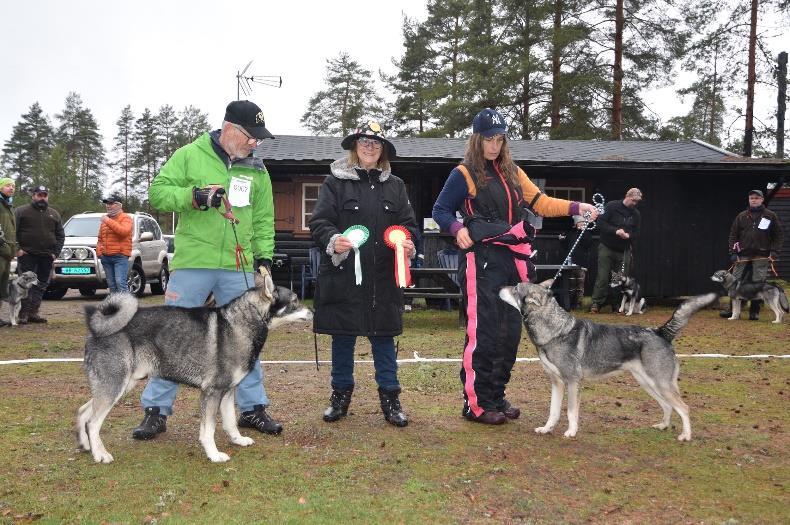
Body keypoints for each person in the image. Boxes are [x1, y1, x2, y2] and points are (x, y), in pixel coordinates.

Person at [431, 108, 599, 425]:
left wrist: (578, 207)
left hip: (515, 260)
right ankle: (476, 404)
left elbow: (541, 203)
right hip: (481, 260)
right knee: (484, 332)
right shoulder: (463, 173)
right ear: (476, 139)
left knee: (509, 333)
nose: (494, 145)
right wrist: (457, 230)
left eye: (499, 138)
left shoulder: (513, 172)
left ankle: (496, 396)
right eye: (488, 139)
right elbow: (440, 210)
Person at [132, 100, 283, 440]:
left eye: (258, 138)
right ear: (230, 128)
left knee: (248, 338)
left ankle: (253, 408)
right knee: (171, 336)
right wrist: (195, 196)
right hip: (193, 262)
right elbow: (158, 193)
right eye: (250, 136)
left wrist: (264, 259)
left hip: (239, 265)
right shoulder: (189, 154)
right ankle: (156, 410)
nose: (254, 143)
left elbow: (263, 219)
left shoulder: (257, 168)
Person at [309, 121, 418, 428]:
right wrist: (333, 240)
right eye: (364, 142)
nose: (370, 147)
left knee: (384, 339)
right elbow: (319, 223)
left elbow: (408, 225)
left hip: (383, 279)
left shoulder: (395, 186)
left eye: (376, 143)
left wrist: (408, 243)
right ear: (354, 146)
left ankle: (391, 400)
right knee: (342, 339)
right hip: (344, 275)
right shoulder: (335, 182)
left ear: (383, 150)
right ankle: (340, 397)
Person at [719, 189, 784, 321]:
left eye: (756, 198)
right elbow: (733, 235)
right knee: (733, 282)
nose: (754, 200)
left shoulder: (770, 215)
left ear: (762, 200)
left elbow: (778, 235)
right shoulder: (741, 216)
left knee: (758, 283)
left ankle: (754, 312)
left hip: (762, 255)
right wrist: (733, 252)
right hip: (742, 255)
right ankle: (733, 312)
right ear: (749, 200)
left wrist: (775, 251)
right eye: (751, 198)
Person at [14, 185, 65, 324]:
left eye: (44, 195)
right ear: (33, 196)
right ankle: (22, 314)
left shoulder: (54, 213)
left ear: (47, 197)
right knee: (25, 285)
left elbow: (60, 235)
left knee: (41, 284)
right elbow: (13, 231)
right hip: (27, 254)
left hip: (47, 255)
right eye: (39, 195)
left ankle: (33, 313)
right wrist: (17, 249)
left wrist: (56, 252)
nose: (42, 198)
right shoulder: (21, 211)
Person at [589, 187, 642, 313]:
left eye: (637, 202)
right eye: (633, 200)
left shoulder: (636, 214)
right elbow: (601, 223)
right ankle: (596, 303)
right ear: (627, 196)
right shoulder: (612, 206)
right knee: (602, 276)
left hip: (623, 250)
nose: (635, 204)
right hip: (606, 246)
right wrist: (615, 231)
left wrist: (629, 236)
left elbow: (636, 232)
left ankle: (617, 304)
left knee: (620, 278)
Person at [96, 192, 132, 294]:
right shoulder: (106, 220)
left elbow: (123, 232)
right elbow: (100, 238)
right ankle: (115, 308)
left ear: (119, 205)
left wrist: (107, 221)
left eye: (111, 203)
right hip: (106, 257)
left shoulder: (126, 218)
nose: (108, 205)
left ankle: (127, 308)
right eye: (107, 203)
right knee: (111, 285)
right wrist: (99, 252)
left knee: (120, 283)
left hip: (120, 257)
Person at [559, 215, 594, 310]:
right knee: (571, 285)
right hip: (571, 264)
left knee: (580, 285)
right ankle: (570, 303)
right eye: (580, 222)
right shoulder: (571, 233)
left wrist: (583, 232)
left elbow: (588, 243)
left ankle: (578, 304)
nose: (582, 224)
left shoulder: (586, 234)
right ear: (576, 224)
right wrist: (562, 240)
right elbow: (566, 246)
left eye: (583, 222)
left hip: (581, 264)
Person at [0, 177, 17, 327]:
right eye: (7, 185)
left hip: (7, 252)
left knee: (2, 285)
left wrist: (13, 249)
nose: (11, 188)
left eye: (13, 186)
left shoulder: (9, 206)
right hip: (0, 250)